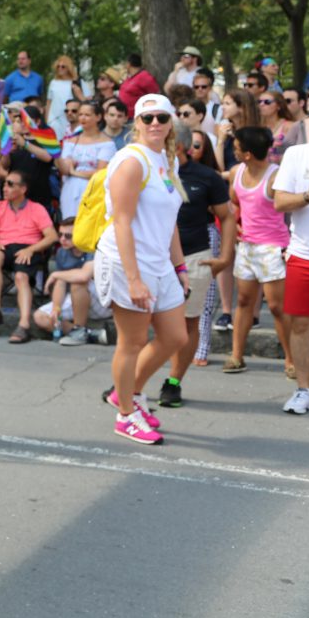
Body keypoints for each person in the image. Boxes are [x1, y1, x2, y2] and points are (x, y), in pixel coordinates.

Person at [93, 94, 186, 445]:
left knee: (175, 337)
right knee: (132, 342)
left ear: (171, 121)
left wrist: (179, 265)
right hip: (125, 261)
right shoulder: (131, 161)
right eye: (147, 118)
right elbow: (122, 223)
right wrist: (133, 278)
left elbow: (170, 221)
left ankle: (126, 393)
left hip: (159, 262)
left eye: (161, 117)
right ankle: (126, 414)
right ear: (137, 122)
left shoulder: (166, 158)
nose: (155, 124)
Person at [157, 127, 234, 406]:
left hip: (193, 258)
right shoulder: (146, 171)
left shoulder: (206, 177)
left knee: (188, 324)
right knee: (141, 323)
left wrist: (224, 257)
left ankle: (174, 382)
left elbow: (227, 217)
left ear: (180, 146)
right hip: (151, 258)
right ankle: (132, 379)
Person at [271, 117, 309, 414]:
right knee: (302, 324)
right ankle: (303, 391)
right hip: (305, 255)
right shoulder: (298, 154)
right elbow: (280, 202)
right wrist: (308, 196)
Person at [223, 126, 292, 377]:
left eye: (237, 147)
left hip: (273, 247)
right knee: (243, 301)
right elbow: (234, 201)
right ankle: (236, 356)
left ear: (249, 153)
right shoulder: (236, 172)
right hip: (247, 247)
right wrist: (240, 227)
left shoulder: (276, 177)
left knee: (276, 306)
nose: (234, 151)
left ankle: (291, 359)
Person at [0, 170, 56, 342]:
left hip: (29, 248)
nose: (5, 188)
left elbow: (52, 236)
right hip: (5, 247)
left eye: (10, 184)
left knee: (22, 277)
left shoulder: (36, 209)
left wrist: (31, 249)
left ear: (23, 189)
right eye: (4, 184)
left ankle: (24, 325)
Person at [33, 220, 110, 346]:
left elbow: (84, 276)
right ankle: (88, 333)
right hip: (77, 301)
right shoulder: (62, 252)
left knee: (78, 283)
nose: (62, 239)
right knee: (40, 317)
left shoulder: (93, 248)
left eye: (68, 236)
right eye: (60, 235)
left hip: (102, 302)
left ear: (81, 234)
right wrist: (56, 308)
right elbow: (61, 282)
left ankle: (79, 331)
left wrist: (55, 274)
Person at [57, 101, 114, 218]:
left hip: (93, 190)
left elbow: (100, 172)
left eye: (87, 115)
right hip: (70, 189)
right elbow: (66, 169)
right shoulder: (70, 141)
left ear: (98, 117)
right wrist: (56, 158)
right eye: (81, 114)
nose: (82, 118)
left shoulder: (107, 143)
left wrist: (74, 172)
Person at [257, 88, 304, 163]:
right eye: (259, 102)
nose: (261, 104)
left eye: (267, 102)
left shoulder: (290, 126)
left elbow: (299, 152)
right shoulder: (256, 127)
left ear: (278, 106)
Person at [46, 55, 85, 139]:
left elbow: (87, 100)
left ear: (69, 68)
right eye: (58, 66)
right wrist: (47, 120)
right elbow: (49, 102)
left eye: (63, 67)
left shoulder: (78, 82)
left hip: (71, 118)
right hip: (54, 120)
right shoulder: (53, 82)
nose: (60, 68)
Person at [118, 53, 160, 118]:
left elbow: (156, 94)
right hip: (124, 116)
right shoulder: (129, 77)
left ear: (129, 64)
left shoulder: (144, 76)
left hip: (136, 116)